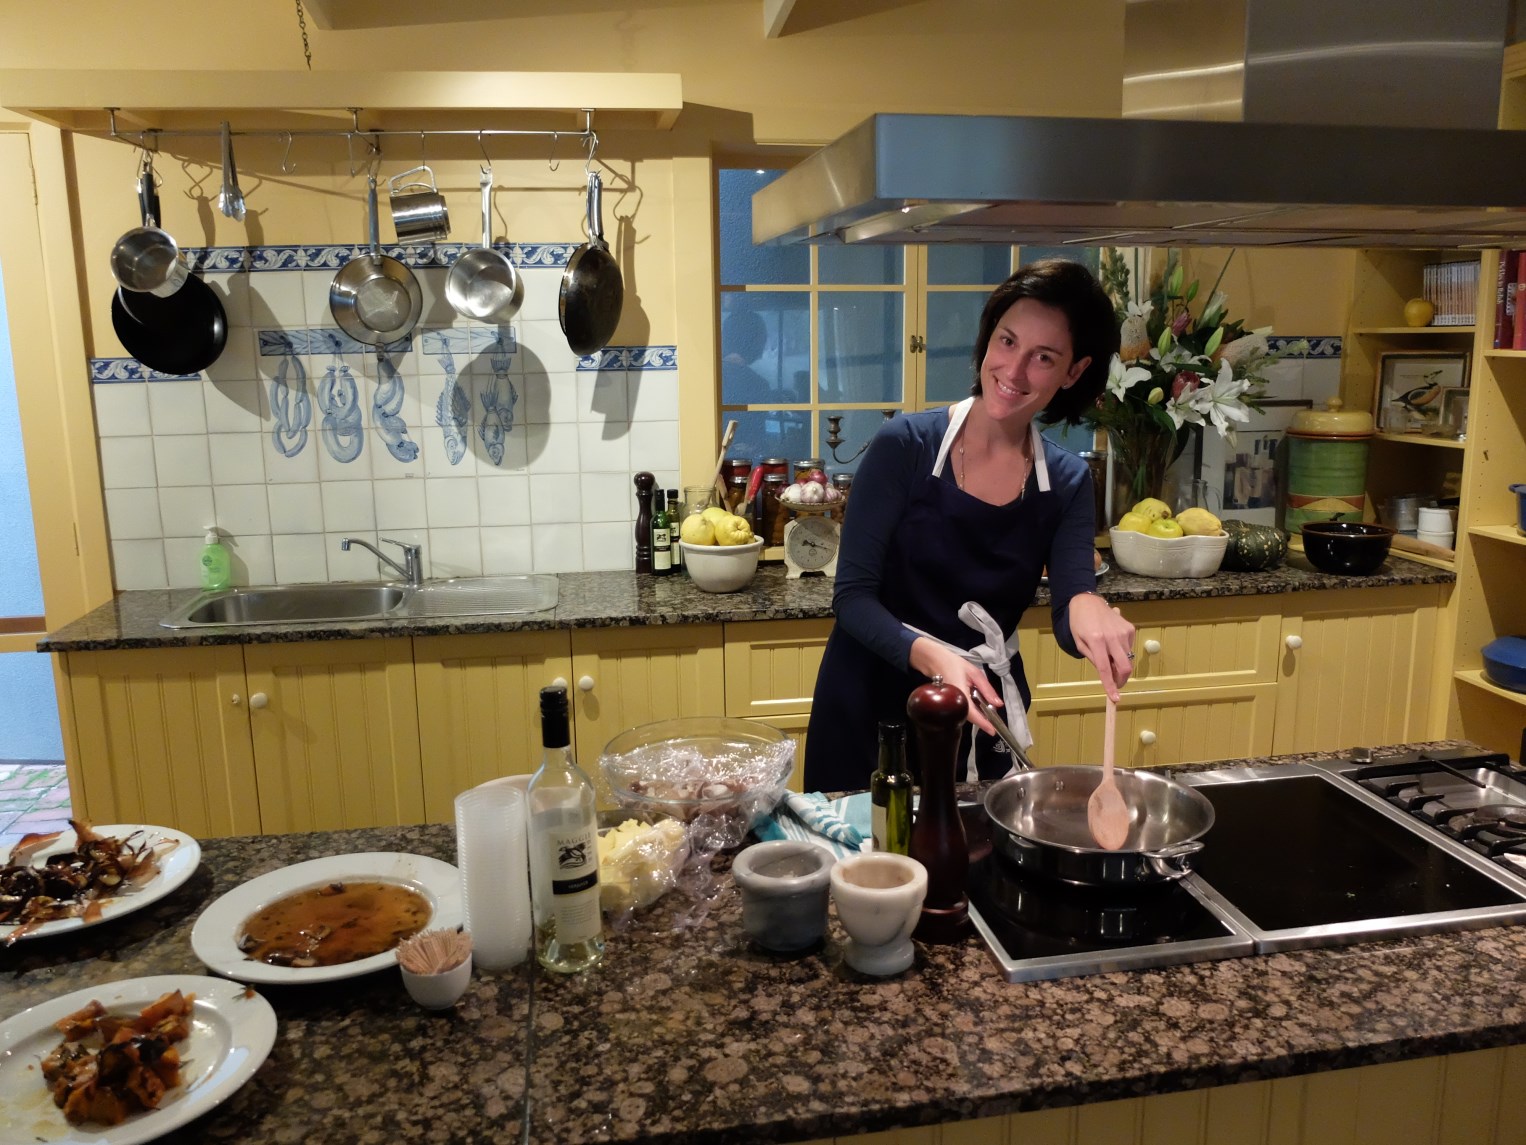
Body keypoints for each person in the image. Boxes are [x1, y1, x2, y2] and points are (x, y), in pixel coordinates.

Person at [803, 259, 1137, 792]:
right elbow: (853, 597)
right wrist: (936, 658)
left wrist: (1090, 610)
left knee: (971, 844)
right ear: (987, 339)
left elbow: (1069, 610)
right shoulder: (905, 447)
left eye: (1043, 357)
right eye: (1007, 341)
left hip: (978, 711)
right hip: (868, 709)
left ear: (1073, 372)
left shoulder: (1067, 481)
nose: (1014, 371)